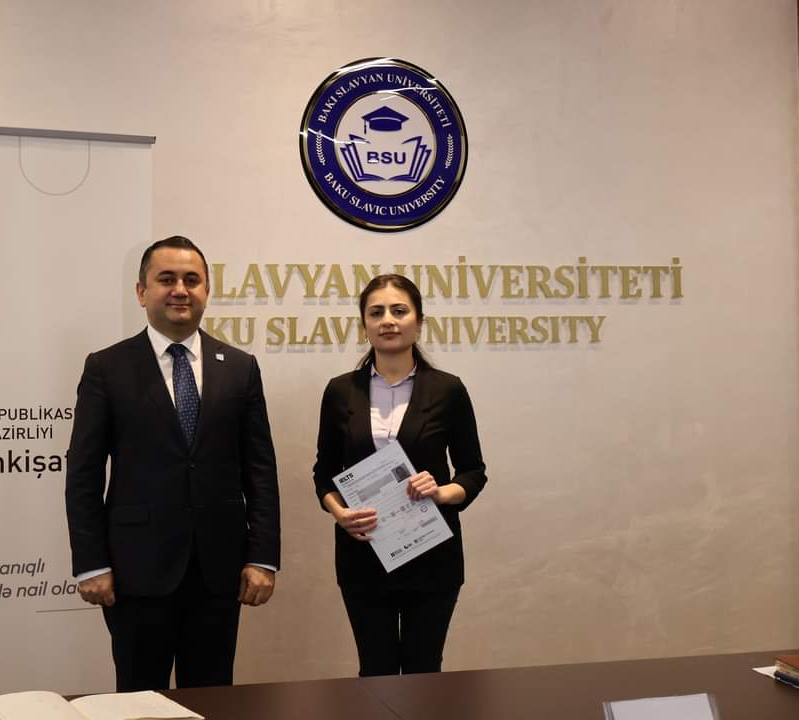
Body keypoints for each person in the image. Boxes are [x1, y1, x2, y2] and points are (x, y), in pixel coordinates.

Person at [65, 235, 280, 691]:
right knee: (139, 700)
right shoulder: (106, 367)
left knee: (213, 698)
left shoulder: (240, 367)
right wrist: (91, 563)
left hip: (219, 571)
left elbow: (260, 470)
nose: (180, 289)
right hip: (135, 572)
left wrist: (262, 557)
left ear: (206, 291)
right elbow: (83, 472)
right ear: (142, 292)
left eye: (191, 280)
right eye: (166, 279)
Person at [312, 273, 487, 676]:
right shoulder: (340, 391)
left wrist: (442, 492)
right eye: (376, 312)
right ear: (365, 324)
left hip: (432, 555)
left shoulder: (447, 390)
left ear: (419, 322)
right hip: (363, 553)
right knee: (376, 671)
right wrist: (340, 513)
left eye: (399, 310)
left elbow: (473, 471)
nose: (388, 320)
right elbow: (324, 473)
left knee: (424, 671)